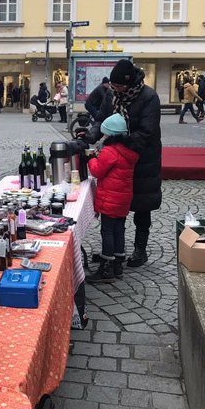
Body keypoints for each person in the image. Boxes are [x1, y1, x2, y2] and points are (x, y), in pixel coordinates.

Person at [75, 59, 162, 268]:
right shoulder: (111, 94)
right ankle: (114, 251)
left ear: (130, 83)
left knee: (142, 205)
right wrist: (91, 136)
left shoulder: (149, 96)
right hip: (118, 154)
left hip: (143, 158)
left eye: (120, 86)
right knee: (116, 208)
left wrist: (123, 140)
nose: (117, 90)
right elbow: (101, 121)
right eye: (114, 86)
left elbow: (148, 132)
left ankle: (140, 249)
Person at [85, 114, 139, 284]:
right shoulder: (129, 151)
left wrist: (91, 158)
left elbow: (98, 171)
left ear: (110, 135)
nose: (102, 136)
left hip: (110, 198)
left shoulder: (110, 151)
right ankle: (118, 265)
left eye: (104, 134)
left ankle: (106, 268)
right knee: (119, 229)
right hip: (123, 199)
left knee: (107, 231)